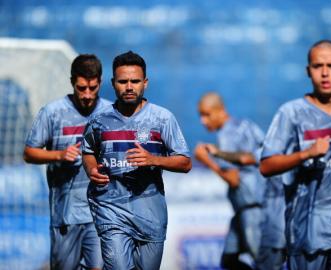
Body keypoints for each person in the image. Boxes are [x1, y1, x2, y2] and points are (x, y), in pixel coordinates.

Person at [260, 40, 331, 270]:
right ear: (307, 71)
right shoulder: (291, 113)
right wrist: (306, 153)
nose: (324, 73)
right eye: (317, 66)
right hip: (306, 228)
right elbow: (267, 165)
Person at [81, 51, 192, 270]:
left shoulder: (162, 118)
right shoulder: (99, 120)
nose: (129, 87)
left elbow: (185, 162)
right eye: (123, 81)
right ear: (113, 84)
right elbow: (88, 150)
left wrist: (154, 159)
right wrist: (91, 169)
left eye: (135, 81)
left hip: (150, 215)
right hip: (110, 209)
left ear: (145, 83)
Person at [24, 54, 110, 270]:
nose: (88, 95)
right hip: (65, 215)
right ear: (72, 82)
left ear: (100, 82)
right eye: (82, 88)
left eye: (93, 88)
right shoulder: (52, 113)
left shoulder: (111, 113)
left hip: (100, 214)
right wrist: (59, 155)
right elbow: (29, 153)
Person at [194, 92, 266, 270]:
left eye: (207, 114)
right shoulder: (247, 125)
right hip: (262, 202)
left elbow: (233, 179)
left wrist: (207, 160)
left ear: (220, 111)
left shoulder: (226, 135)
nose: (203, 121)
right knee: (229, 259)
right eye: (200, 115)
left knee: (262, 262)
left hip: (252, 207)